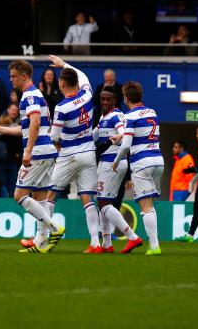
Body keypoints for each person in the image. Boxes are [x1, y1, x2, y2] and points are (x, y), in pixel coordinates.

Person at [0, 59, 65, 253]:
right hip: (47, 151)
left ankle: (55, 228)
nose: (11, 80)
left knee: (19, 195)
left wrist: (27, 151)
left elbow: (35, 123)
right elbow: (27, 128)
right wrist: (0, 129)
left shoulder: (29, 95)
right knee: (40, 197)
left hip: (37, 152)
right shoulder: (35, 95)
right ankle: (41, 243)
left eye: (13, 76)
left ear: (24, 76)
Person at [45, 55, 102, 253]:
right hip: (89, 152)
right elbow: (83, 75)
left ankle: (42, 240)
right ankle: (95, 242)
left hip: (69, 154)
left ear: (61, 83)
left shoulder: (61, 107)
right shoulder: (87, 95)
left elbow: (53, 137)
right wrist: (64, 64)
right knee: (87, 199)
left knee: (50, 196)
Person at [111, 81, 164, 256]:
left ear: (126, 98)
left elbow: (126, 146)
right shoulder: (152, 111)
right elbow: (142, 132)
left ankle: (155, 246)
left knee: (145, 206)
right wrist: (121, 135)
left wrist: (117, 161)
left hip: (142, 162)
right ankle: (154, 244)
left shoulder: (129, 116)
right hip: (158, 160)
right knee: (150, 204)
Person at [93, 86, 142, 253]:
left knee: (104, 203)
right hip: (107, 163)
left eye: (108, 99)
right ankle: (106, 244)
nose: (105, 102)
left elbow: (124, 132)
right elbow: (94, 135)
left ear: (115, 101)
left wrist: (116, 139)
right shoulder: (103, 117)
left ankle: (133, 237)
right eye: (102, 99)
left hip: (113, 163)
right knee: (102, 202)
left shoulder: (116, 116)